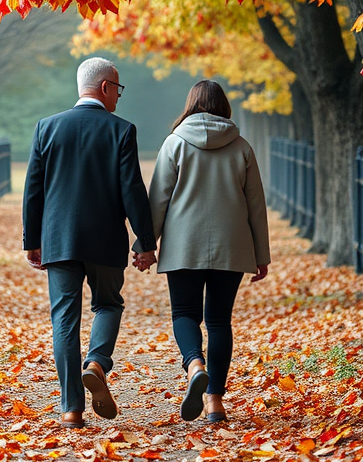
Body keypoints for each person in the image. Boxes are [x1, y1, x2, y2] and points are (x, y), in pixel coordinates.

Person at [23, 57, 157, 429]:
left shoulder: (46, 128)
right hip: (105, 239)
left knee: (64, 319)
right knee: (109, 304)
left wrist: (31, 240)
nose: (119, 96)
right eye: (118, 88)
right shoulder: (121, 130)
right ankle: (96, 362)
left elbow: (33, 189)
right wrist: (143, 242)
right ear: (105, 88)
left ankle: (71, 408)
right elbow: (132, 190)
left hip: (59, 239)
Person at [137, 79, 270, 424]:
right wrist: (261, 254)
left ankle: (195, 363)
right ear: (224, 106)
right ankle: (215, 402)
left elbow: (158, 201)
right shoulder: (241, 146)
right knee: (219, 320)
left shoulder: (174, 143)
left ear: (191, 104)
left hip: (184, 244)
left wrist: (145, 246)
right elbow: (256, 204)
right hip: (232, 245)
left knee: (184, 313)